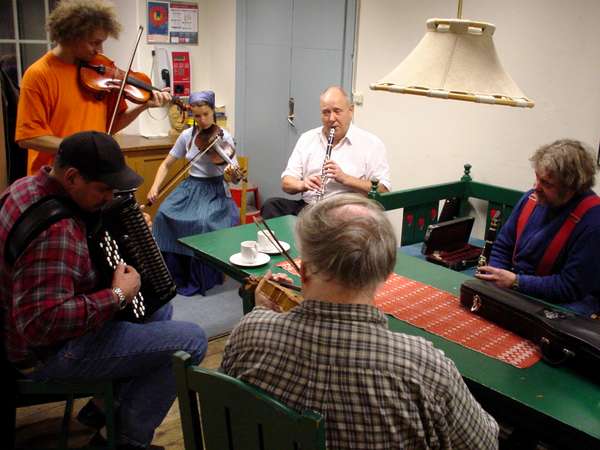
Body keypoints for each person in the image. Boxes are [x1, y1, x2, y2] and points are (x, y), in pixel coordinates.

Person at [222, 194, 499, 449]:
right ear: (385, 272)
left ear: (303, 271)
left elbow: (226, 410)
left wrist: (261, 316)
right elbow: (485, 445)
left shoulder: (248, 331)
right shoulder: (425, 369)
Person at [0, 131, 207, 450]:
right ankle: (124, 440)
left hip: (15, 331)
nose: (111, 198)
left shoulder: (26, 186)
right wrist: (116, 296)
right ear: (72, 177)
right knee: (190, 340)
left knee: (158, 308)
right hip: (41, 356)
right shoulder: (57, 231)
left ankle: (101, 408)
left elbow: (63, 267)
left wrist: (124, 227)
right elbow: (42, 323)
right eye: (104, 190)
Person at [15, 0, 171, 176]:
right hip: (54, 179)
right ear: (71, 35)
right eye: (94, 43)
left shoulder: (101, 72)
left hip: (93, 177)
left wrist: (143, 106)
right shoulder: (39, 74)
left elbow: (111, 126)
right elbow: (28, 137)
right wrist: (83, 148)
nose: (100, 49)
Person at [477, 139, 600, 316]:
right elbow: (503, 245)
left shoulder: (593, 223)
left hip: (566, 301)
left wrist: (516, 282)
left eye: (547, 184)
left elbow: (570, 287)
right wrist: (495, 277)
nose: (536, 187)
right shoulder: (531, 199)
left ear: (572, 188)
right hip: (518, 284)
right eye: (537, 177)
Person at [147, 90, 242, 296]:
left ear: (213, 112)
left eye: (206, 114)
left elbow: (234, 177)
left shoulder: (224, 137)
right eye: (197, 116)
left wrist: (231, 175)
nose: (202, 120)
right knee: (163, 215)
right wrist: (155, 186)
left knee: (201, 222)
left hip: (214, 190)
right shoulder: (187, 136)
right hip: (190, 187)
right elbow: (166, 164)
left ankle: (200, 277)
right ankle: (171, 274)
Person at [260, 86, 391, 218]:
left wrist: (346, 179)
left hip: (345, 213)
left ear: (351, 111)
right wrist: (303, 184)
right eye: (326, 112)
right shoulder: (307, 138)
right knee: (271, 205)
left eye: (337, 111)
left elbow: (383, 189)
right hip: (309, 207)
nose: (331, 118)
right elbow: (286, 182)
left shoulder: (371, 143)